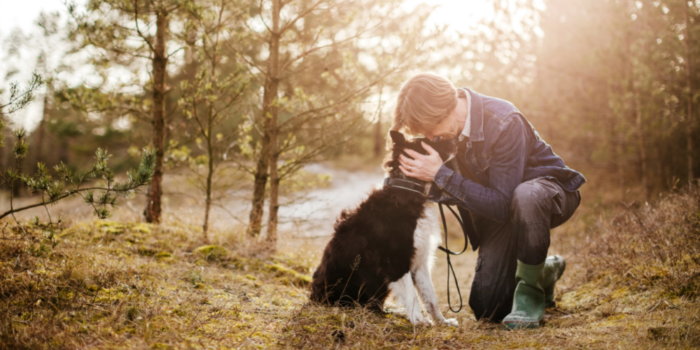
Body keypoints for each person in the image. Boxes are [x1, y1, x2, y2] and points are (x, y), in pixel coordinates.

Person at [393, 73, 585, 329]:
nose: (429, 138)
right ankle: (544, 270)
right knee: (488, 307)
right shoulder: (447, 133)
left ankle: (530, 295)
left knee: (525, 195)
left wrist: (440, 174)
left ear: (445, 109)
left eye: (429, 130)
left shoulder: (504, 120)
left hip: (547, 193)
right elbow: (480, 197)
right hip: (501, 209)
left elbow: (502, 202)